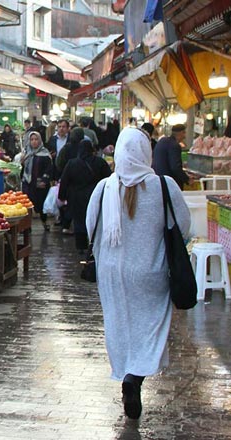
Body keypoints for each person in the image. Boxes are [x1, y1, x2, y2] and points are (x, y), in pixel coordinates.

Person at [86, 127, 190, 420]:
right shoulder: (164, 186)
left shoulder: (103, 188)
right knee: (150, 327)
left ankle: (126, 372)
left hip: (111, 275)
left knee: (120, 325)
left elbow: (90, 226)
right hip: (150, 272)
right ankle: (135, 377)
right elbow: (183, 226)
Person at [57, 139, 112, 253]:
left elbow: (65, 181)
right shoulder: (99, 162)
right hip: (95, 196)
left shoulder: (72, 163)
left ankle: (81, 247)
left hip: (76, 198)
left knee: (79, 222)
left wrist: (62, 196)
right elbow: (109, 179)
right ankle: (94, 244)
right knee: (95, 220)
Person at [22, 131, 54, 231]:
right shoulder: (26, 153)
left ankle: (44, 222)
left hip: (40, 184)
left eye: (36, 139)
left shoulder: (45, 154)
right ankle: (27, 226)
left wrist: (45, 179)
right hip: (27, 183)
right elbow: (23, 169)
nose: (34, 142)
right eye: (32, 140)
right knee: (27, 205)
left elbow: (49, 169)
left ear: (40, 141)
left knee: (40, 204)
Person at [152, 124, 189, 189]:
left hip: (158, 180)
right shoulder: (174, 145)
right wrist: (187, 179)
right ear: (180, 133)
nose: (185, 136)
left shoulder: (162, 141)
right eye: (184, 133)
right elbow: (175, 167)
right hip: (169, 183)